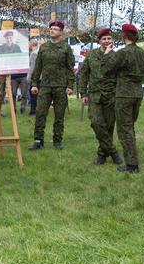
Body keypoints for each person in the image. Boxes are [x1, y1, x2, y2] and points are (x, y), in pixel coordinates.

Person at [100, 23, 144, 173]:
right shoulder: (142, 53)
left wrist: (107, 54)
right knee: (130, 127)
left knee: (124, 129)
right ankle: (132, 159)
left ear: (124, 36)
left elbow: (106, 70)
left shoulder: (122, 52)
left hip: (123, 94)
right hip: (138, 93)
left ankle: (132, 164)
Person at [29, 21, 74, 151]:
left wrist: (70, 85)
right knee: (40, 113)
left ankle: (57, 140)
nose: (52, 31)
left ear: (61, 32)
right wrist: (34, 84)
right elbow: (38, 67)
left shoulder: (66, 48)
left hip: (61, 86)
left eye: (55, 29)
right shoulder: (44, 47)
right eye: (51, 29)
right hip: (45, 86)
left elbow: (70, 68)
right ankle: (38, 140)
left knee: (59, 115)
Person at [79, 28, 121, 166]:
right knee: (96, 122)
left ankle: (102, 154)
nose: (107, 41)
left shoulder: (116, 56)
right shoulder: (91, 55)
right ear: (99, 41)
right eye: (104, 39)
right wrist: (83, 93)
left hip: (111, 95)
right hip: (94, 94)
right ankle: (113, 152)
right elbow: (84, 74)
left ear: (112, 41)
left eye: (109, 39)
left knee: (108, 126)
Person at [26, 39, 39, 115]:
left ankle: (33, 111)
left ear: (31, 45)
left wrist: (28, 78)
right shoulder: (40, 51)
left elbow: (32, 67)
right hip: (41, 77)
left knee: (33, 94)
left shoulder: (33, 53)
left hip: (35, 77)